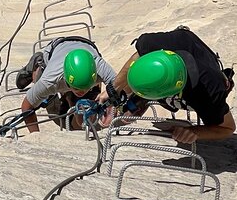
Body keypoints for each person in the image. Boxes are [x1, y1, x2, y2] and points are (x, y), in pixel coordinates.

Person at [98, 26, 235, 143]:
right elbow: (137, 57)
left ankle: (143, 98)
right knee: (131, 92)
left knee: (203, 105)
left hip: (203, 75)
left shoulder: (209, 91)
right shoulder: (151, 45)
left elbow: (228, 128)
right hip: (182, 41)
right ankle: (139, 98)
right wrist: (113, 89)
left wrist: (195, 131)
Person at [19, 36, 117, 133]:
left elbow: (120, 86)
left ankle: (74, 97)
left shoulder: (99, 67)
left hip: (87, 45)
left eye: (86, 87)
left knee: (80, 123)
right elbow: (27, 107)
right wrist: (35, 135)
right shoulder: (50, 80)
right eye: (76, 88)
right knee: (54, 113)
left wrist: (111, 102)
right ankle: (37, 65)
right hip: (56, 48)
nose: (81, 92)